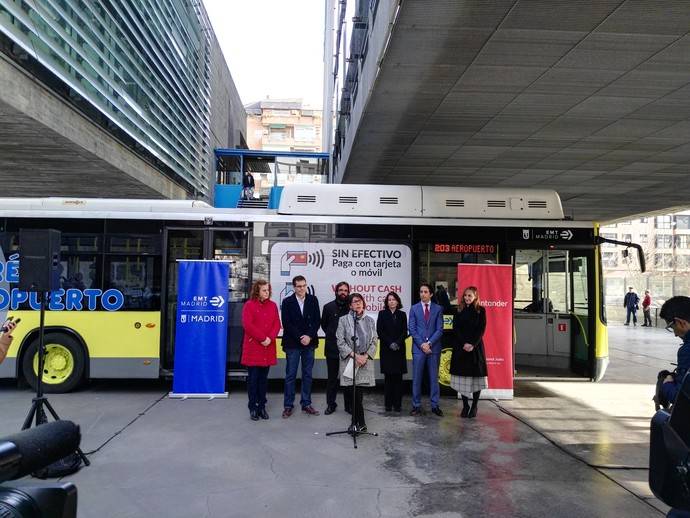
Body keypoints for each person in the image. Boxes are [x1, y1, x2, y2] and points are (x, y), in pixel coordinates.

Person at [336, 293, 377, 431]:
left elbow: (374, 342)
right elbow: (340, 342)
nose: (358, 304)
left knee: (358, 393)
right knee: (352, 393)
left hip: (364, 362)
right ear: (350, 305)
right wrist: (355, 356)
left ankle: (358, 423)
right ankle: (359, 423)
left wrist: (365, 356)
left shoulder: (370, 320)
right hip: (350, 361)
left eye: (360, 301)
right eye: (355, 302)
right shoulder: (343, 320)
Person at [280, 275, 321, 417]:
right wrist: (300, 337)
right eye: (298, 286)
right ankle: (288, 405)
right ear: (294, 287)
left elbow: (317, 321)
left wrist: (309, 336)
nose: (302, 288)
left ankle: (306, 403)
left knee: (307, 374)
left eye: (304, 285)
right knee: (290, 375)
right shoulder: (287, 302)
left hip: (309, 342)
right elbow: (287, 323)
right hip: (293, 343)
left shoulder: (313, 300)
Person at [241, 280, 281, 421]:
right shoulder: (249, 305)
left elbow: (277, 324)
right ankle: (253, 407)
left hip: (267, 347)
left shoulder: (273, 305)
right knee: (253, 380)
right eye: (264, 290)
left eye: (268, 290)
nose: (267, 292)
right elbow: (248, 325)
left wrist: (270, 338)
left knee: (263, 380)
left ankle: (262, 407)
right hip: (254, 347)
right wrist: (263, 338)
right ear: (257, 291)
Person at [450, 286, 488, 418]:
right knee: (462, 379)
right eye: (465, 295)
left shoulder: (481, 311)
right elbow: (455, 329)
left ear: (475, 297)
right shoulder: (458, 310)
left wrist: (472, 344)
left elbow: (481, 329)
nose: (467, 298)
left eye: (470, 296)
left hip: (475, 349)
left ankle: (474, 406)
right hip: (461, 349)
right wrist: (464, 343)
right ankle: (465, 406)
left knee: (476, 379)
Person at [408, 283, 444, 417]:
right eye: (421, 291)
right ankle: (416, 405)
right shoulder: (414, 308)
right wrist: (422, 344)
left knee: (434, 378)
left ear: (431, 294)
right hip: (418, 349)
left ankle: (435, 405)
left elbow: (440, 329)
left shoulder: (438, 309)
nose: (422, 294)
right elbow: (412, 328)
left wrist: (429, 343)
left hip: (433, 349)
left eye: (425, 292)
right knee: (417, 378)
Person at [320, 281, 352, 415]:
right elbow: (324, 325)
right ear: (336, 291)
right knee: (332, 379)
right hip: (332, 348)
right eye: (341, 290)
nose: (343, 292)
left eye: (345, 290)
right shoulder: (328, 307)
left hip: (348, 349)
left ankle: (349, 406)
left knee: (348, 379)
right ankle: (331, 405)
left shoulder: (351, 308)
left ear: (348, 292)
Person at [376, 291, 408, 412]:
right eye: (389, 300)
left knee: (398, 379)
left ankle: (398, 405)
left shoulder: (402, 314)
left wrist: (397, 343)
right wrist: (390, 343)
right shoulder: (382, 314)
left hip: (399, 350)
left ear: (397, 301)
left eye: (393, 299)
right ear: (386, 302)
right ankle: (388, 405)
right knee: (388, 379)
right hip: (387, 350)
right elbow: (380, 331)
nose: (391, 301)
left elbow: (405, 332)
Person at [659, 296, 690, 405]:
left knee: (659, 419)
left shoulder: (687, 351)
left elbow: (681, 399)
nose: (675, 334)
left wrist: (666, 384)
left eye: (672, 327)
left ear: (680, 322)